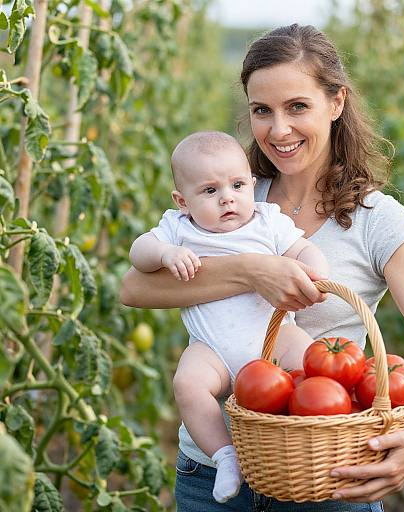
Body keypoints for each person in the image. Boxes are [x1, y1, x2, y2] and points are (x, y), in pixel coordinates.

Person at [120, 24, 404, 512]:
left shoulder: (377, 220)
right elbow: (136, 287)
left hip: (327, 479)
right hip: (209, 476)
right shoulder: (232, 196)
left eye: (297, 107)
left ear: (337, 103)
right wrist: (253, 271)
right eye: (262, 110)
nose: (278, 130)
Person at [129, 130, 329, 504]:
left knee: (309, 362)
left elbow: (303, 249)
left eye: (237, 185)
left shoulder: (267, 221)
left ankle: (309, 439)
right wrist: (164, 254)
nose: (227, 198)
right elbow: (139, 251)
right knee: (188, 384)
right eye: (209, 191)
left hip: (273, 340)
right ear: (182, 201)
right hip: (213, 350)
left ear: (252, 185)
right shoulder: (179, 229)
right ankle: (225, 456)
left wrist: (315, 275)